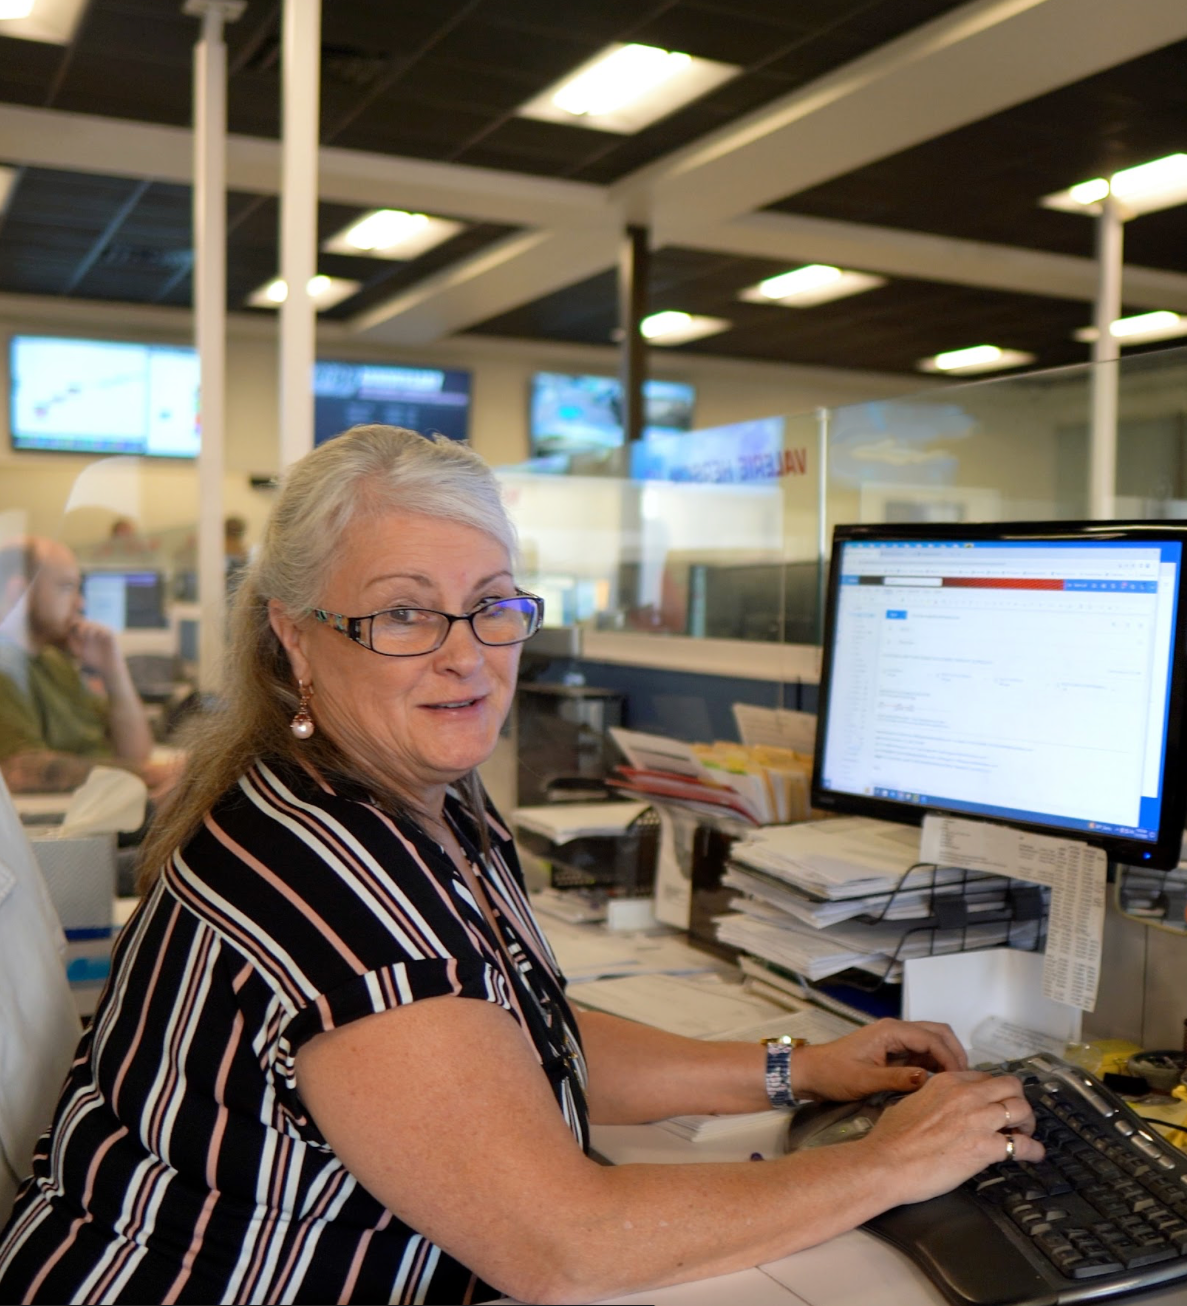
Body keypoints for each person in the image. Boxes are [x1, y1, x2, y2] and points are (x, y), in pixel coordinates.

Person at [0, 425, 1041, 1304]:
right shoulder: (322, 879)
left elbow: (497, 1042)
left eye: (492, 603)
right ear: (296, 640)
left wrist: (790, 1067)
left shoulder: (411, 793)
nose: (467, 652)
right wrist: (889, 1161)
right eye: (405, 612)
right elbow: (564, 1242)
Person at [0, 536, 176, 795]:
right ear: (19, 593)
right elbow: (20, 770)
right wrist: (148, 775)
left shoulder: (51, 660)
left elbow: (136, 752)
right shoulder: (7, 668)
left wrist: (113, 669)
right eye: (66, 587)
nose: (80, 603)